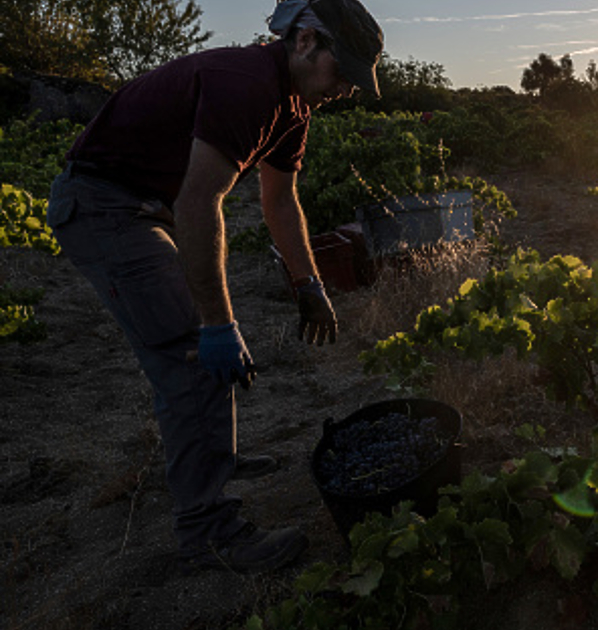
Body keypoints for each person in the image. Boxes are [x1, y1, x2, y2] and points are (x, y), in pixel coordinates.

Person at [46, 0, 383, 575]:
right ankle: (206, 532)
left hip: (150, 206)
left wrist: (309, 284)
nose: (347, 89)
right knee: (194, 353)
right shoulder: (246, 85)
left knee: (203, 333)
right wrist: (219, 324)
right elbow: (200, 201)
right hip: (105, 206)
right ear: (305, 42)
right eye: (343, 71)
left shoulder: (293, 104)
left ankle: (210, 458)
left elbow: (280, 201)